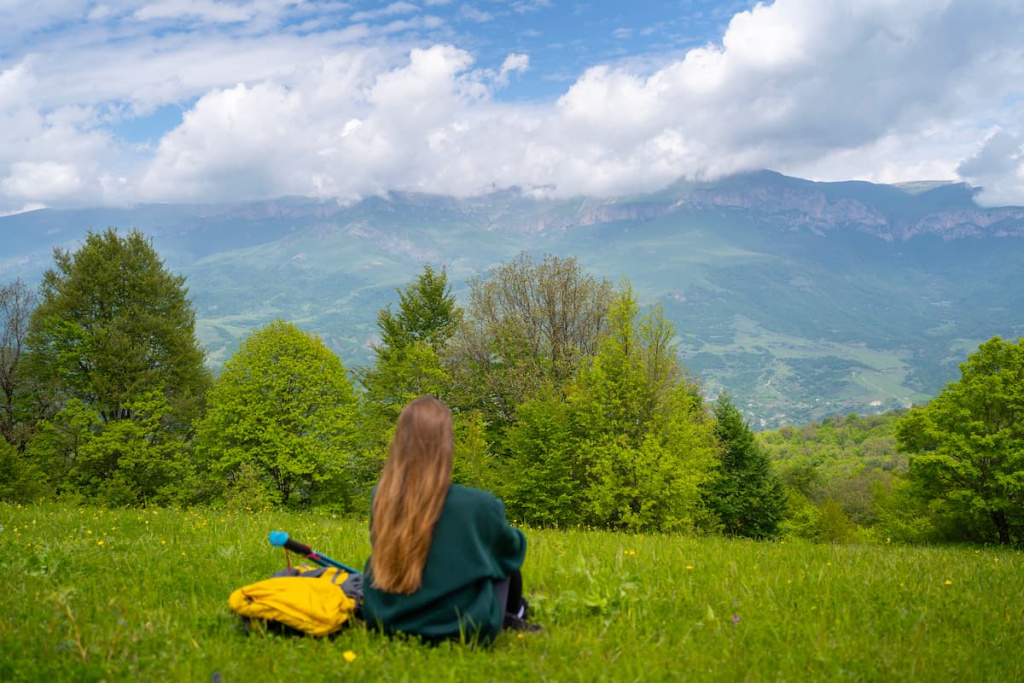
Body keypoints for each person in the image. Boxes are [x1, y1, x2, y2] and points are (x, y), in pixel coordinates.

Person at [361, 396, 537, 644]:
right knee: (500, 552)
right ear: (446, 444)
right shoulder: (480, 505)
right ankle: (516, 612)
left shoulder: (381, 498)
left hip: (386, 621)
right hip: (462, 627)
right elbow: (512, 554)